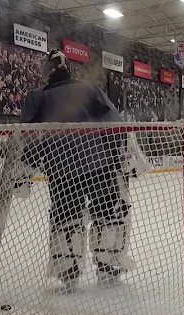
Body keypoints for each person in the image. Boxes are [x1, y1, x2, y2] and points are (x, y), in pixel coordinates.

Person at [18, 49, 148, 293]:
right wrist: (123, 157)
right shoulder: (89, 90)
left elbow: (28, 138)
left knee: (66, 222)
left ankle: (68, 277)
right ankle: (108, 272)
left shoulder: (37, 97)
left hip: (62, 173)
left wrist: (24, 171)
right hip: (100, 169)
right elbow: (114, 124)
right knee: (110, 218)